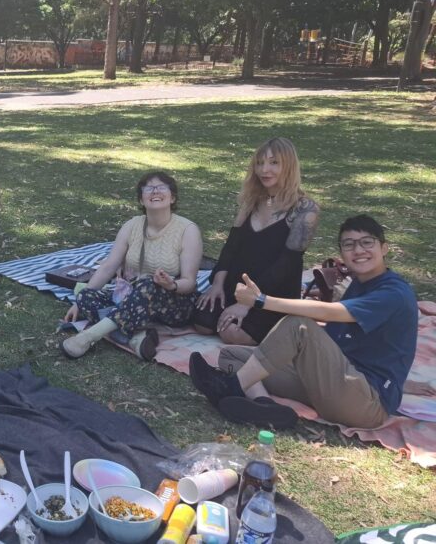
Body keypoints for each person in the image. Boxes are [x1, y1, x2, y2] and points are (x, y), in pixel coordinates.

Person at [189, 215, 417, 430]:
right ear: (342, 253)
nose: (358, 250)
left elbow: (330, 313)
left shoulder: (393, 293)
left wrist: (261, 301)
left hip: (366, 401)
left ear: (384, 248)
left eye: (367, 242)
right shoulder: (358, 284)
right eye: (349, 244)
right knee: (232, 356)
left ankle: (230, 388)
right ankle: (266, 407)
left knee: (299, 325)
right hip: (332, 382)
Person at [59, 171, 203, 361]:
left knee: (148, 284)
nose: (154, 191)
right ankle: (137, 336)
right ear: (142, 200)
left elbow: (190, 283)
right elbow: (109, 265)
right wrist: (78, 302)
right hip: (132, 297)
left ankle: (88, 337)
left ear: (172, 197)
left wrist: (171, 285)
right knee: (86, 296)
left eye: (161, 187)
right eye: (148, 188)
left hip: (174, 303)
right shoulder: (132, 225)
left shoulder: (188, 230)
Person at [193, 137, 320, 345]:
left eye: (274, 163)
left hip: (272, 293)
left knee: (231, 333)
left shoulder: (305, 209)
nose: (264, 170)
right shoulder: (252, 200)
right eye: (260, 163)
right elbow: (231, 246)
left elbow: (287, 263)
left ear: (289, 166)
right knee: (202, 323)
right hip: (237, 284)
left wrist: (250, 302)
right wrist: (217, 284)